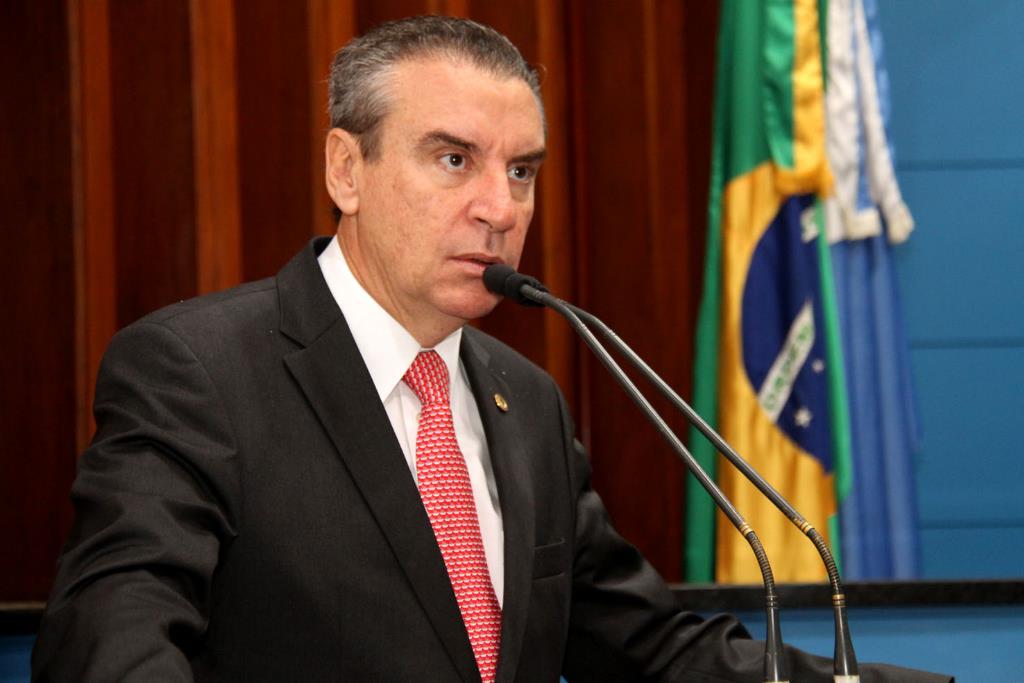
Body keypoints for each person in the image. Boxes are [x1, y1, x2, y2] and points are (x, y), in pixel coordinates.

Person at [33, 16, 950, 683]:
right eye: (454, 160)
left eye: (521, 170)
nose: (502, 209)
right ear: (346, 169)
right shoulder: (198, 371)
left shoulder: (526, 400)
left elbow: (644, 647)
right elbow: (108, 643)